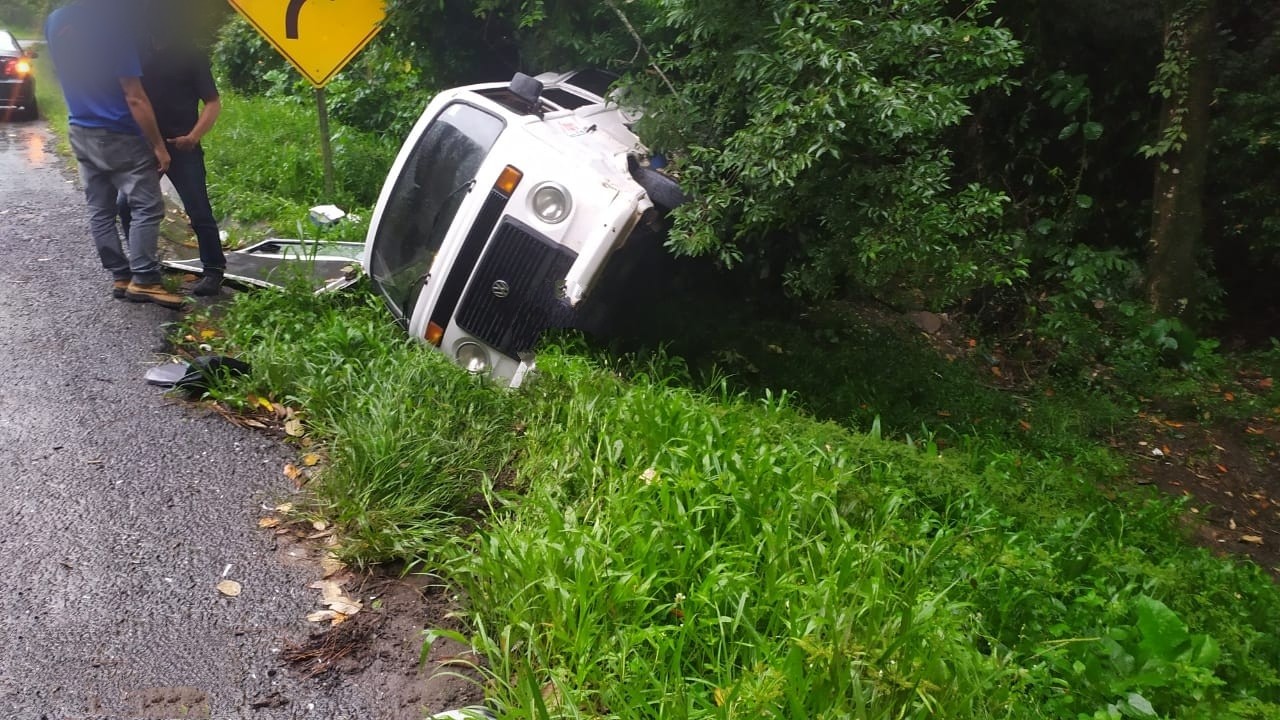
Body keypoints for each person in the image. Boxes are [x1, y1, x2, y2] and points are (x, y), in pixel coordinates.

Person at [44, 0, 183, 309]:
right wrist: (159, 146)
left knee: (100, 208)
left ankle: (121, 276)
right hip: (118, 132)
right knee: (147, 205)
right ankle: (145, 279)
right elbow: (134, 97)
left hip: (80, 129)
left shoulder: (56, 21)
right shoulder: (112, 29)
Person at [117, 9, 226, 297]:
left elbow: (213, 103)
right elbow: (128, 96)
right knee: (125, 205)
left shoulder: (191, 54)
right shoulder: (137, 52)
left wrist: (194, 136)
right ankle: (144, 265)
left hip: (182, 146)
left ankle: (214, 269)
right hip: (145, 146)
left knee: (198, 208)